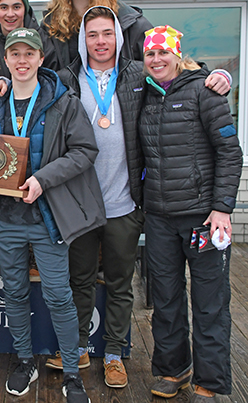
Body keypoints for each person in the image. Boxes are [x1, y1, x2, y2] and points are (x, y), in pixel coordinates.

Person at [0, 27, 103, 402]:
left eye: (28, 54)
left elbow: (85, 151)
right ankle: (24, 360)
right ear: (6, 60)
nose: (22, 60)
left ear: (41, 59)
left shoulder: (63, 102)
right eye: (15, 54)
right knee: (14, 293)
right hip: (5, 219)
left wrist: (42, 180)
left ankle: (71, 372)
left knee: (59, 295)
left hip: (48, 218)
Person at [139, 26, 242, 403]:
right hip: (160, 217)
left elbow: (231, 153)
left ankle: (210, 383)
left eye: (163, 53)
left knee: (209, 302)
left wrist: (222, 208)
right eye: (150, 55)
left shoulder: (205, 92)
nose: (157, 60)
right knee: (165, 299)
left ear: (178, 55)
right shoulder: (145, 96)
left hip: (203, 218)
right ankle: (173, 369)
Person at [45, 6, 145, 388]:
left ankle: (116, 352)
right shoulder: (69, 80)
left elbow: (180, 75)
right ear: (83, 41)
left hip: (124, 202)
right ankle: (80, 346)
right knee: (80, 280)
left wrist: (214, 74)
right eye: (92, 35)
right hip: (81, 203)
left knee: (120, 283)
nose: (100, 41)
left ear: (117, 38)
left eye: (106, 34)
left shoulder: (137, 74)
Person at [40, 0, 233, 93]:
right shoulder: (51, 27)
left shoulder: (128, 21)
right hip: (73, 119)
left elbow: (164, 61)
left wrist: (213, 76)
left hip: (125, 118)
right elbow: (35, 70)